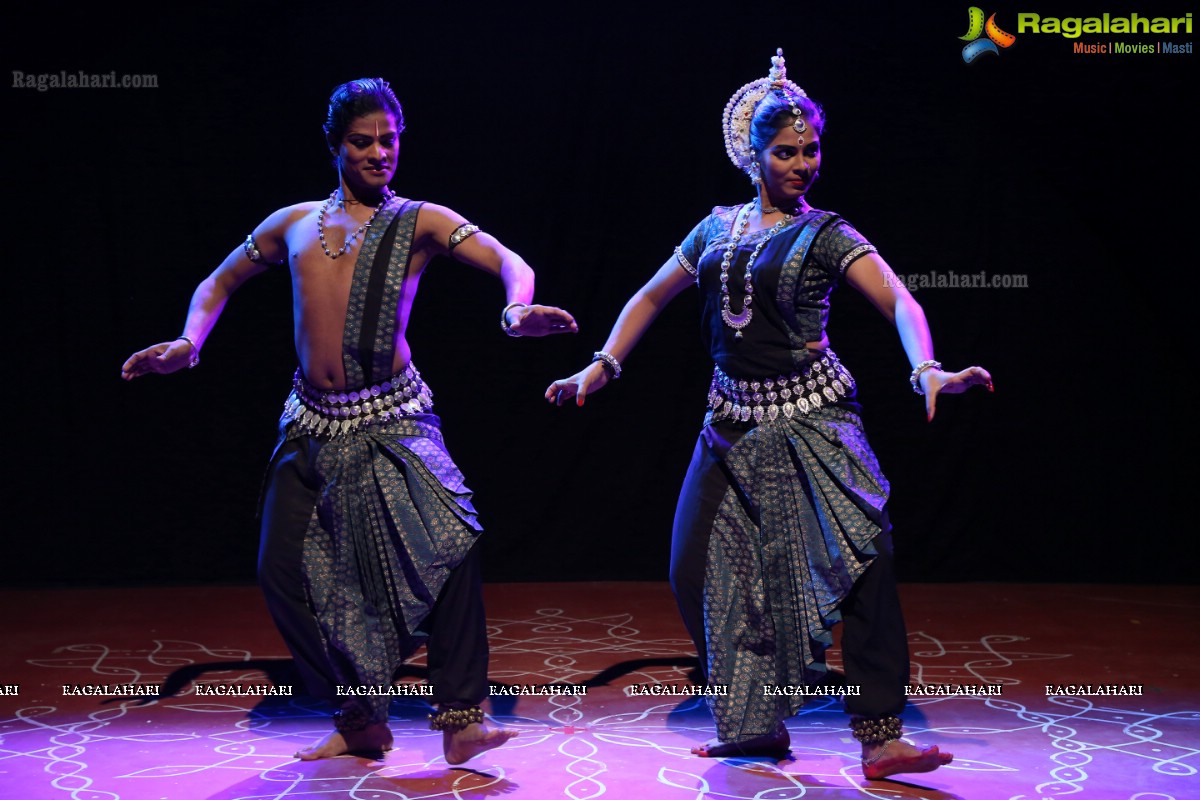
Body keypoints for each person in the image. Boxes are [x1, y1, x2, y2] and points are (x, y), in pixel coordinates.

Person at [545, 50, 991, 780]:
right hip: (730, 425)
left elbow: (899, 300)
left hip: (815, 420)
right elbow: (650, 296)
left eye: (811, 149)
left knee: (865, 562)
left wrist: (925, 367)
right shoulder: (714, 229)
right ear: (750, 154)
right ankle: (753, 724)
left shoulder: (827, 233)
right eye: (786, 151)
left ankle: (881, 736)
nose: (803, 163)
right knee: (695, 567)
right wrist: (602, 363)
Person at [122, 77, 577, 763]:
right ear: (335, 145)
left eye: (389, 141)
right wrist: (190, 342)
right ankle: (360, 717)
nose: (378, 153)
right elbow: (218, 282)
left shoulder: (420, 220)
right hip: (310, 421)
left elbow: (508, 260)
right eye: (363, 141)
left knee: (454, 546)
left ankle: (461, 719)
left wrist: (516, 309)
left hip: (394, 416)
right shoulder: (294, 223)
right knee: (284, 571)